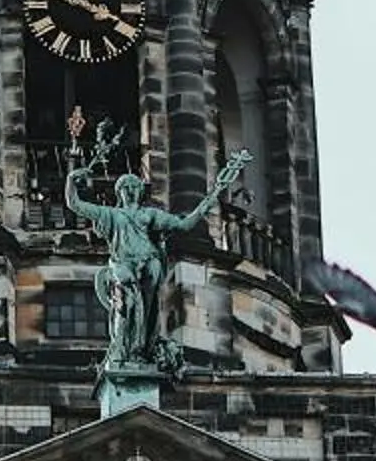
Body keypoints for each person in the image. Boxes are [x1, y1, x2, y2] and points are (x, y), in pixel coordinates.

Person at [64, 132, 249, 372]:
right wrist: (71, 179)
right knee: (126, 307)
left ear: (141, 191)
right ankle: (123, 351)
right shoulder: (111, 214)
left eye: (134, 185)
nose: (130, 189)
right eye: (125, 186)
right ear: (119, 192)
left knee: (149, 311)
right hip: (122, 266)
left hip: (149, 263)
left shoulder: (150, 215)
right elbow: (74, 204)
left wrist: (206, 203)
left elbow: (183, 225)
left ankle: (140, 349)